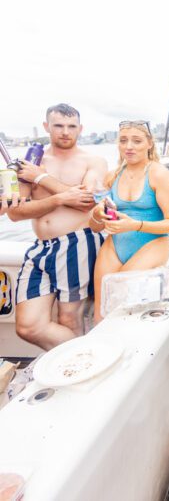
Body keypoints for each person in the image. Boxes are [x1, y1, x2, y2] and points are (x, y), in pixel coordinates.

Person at [7, 104, 107, 350]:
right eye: (58, 126)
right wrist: (60, 199)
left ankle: (79, 375)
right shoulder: (29, 164)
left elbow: (88, 202)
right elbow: (15, 213)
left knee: (69, 319)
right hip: (41, 249)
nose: (65, 132)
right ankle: (89, 356)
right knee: (28, 326)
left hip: (77, 244)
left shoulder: (93, 160)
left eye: (71, 126)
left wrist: (41, 178)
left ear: (80, 129)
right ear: (46, 127)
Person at [89, 120, 169, 323]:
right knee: (101, 309)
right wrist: (97, 213)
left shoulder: (158, 174)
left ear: (149, 143)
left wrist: (135, 225)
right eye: (123, 141)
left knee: (121, 301)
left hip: (151, 244)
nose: (129, 146)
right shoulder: (112, 176)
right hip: (114, 245)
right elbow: (95, 227)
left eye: (136, 141)